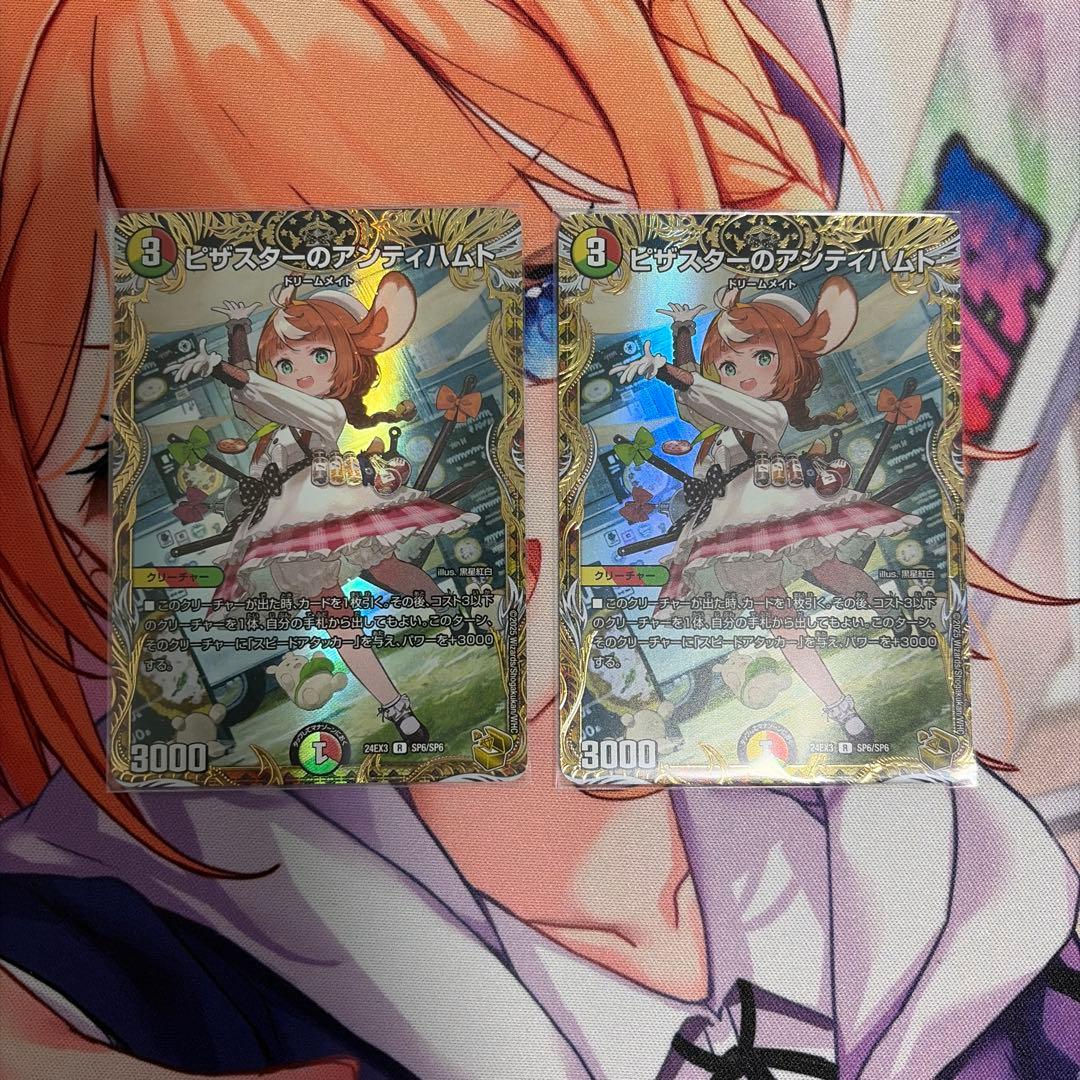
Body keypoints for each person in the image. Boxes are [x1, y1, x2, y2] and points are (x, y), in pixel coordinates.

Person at [1, 2, 1076, 1078]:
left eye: (541, 308)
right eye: (142, 449)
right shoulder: (140, 959)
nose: (437, 468)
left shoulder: (948, 883)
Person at [166, 276, 478, 744]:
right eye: (284, 363)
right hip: (286, 522)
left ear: (345, 359)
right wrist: (237, 331)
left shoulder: (328, 410)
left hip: (331, 503)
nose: (301, 372)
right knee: (335, 614)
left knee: (388, 569)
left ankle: (450, 612)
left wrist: (225, 370)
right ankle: (396, 708)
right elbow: (252, 399)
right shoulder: (271, 425)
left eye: (319, 355)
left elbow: (273, 396)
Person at [612, 280, 919, 737]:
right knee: (780, 617)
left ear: (787, 363)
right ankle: (840, 710)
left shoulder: (771, 413)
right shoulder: (714, 427)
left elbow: (716, 398)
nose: (744, 375)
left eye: (762, 358)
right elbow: (697, 402)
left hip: (772, 505)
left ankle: (893, 617)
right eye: (729, 365)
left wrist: (668, 371)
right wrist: (682, 333)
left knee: (831, 571)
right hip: (728, 524)